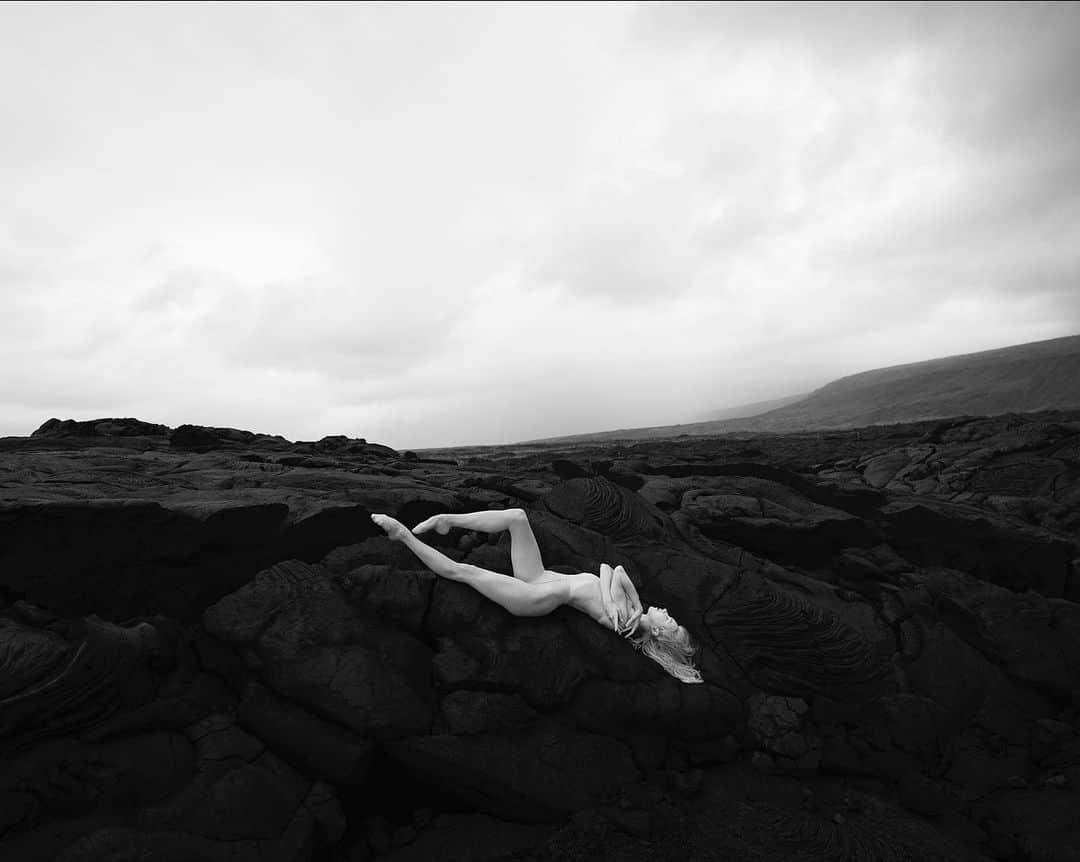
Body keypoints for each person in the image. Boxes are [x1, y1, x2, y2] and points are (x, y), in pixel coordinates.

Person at [370, 509, 704, 684]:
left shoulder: (625, 626)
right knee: (517, 517)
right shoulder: (632, 610)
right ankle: (446, 521)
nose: (668, 613)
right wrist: (639, 604)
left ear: (658, 632)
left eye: (669, 621)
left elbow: (610, 573)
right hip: (541, 577)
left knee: (465, 572)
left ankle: (401, 535)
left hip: (535, 597)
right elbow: (608, 569)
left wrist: (681, 669)